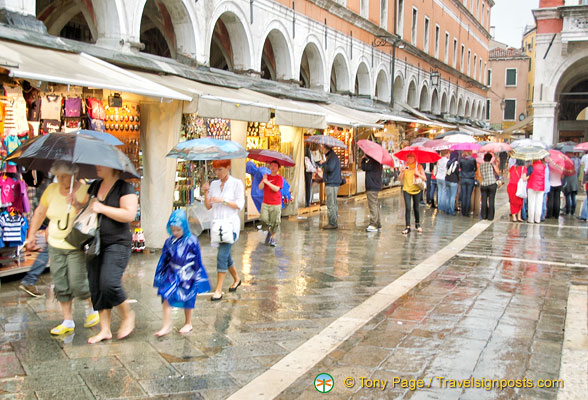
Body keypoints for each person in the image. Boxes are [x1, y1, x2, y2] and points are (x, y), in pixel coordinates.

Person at [25, 161, 98, 335]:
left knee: (78, 282)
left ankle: (93, 307)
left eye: (64, 176)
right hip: (54, 243)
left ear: (74, 175)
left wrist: (77, 204)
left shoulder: (85, 190)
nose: (60, 179)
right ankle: (67, 320)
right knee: (60, 283)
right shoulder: (51, 189)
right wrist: (31, 235)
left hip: (74, 244)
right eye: (58, 176)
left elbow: (92, 214)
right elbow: (40, 212)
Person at [85, 166, 138, 344]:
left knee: (109, 282)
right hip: (95, 242)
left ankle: (127, 314)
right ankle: (105, 329)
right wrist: (77, 204)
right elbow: (88, 209)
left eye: (101, 164)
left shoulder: (125, 188)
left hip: (117, 243)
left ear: (112, 167)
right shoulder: (94, 186)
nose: (97, 167)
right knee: (96, 286)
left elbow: (129, 214)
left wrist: (102, 208)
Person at [153, 210, 210, 337]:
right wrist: (160, 274)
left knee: (188, 299)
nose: (175, 233)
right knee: (166, 295)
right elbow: (163, 259)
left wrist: (198, 276)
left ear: (184, 227)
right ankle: (166, 325)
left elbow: (197, 260)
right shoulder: (169, 242)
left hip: (188, 275)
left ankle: (188, 323)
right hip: (172, 274)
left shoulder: (192, 240)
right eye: (172, 230)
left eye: (178, 230)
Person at [203, 159, 244, 301]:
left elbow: (239, 205)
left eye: (220, 169)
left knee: (221, 255)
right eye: (215, 170)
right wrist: (206, 193)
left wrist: (223, 201)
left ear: (228, 168)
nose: (217, 173)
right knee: (226, 256)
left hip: (230, 225)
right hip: (217, 225)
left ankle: (218, 289)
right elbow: (208, 206)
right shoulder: (214, 184)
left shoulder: (236, 183)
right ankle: (237, 279)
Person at [399, 153, 426, 234]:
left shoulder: (418, 167)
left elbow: (424, 178)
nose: (409, 159)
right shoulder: (405, 167)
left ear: (415, 158)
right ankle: (407, 226)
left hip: (416, 190)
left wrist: (418, 174)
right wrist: (402, 172)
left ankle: (417, 224)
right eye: (408, 157)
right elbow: (400, 179)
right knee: (408, 208)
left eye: (411, 157)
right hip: (406, 189)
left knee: (416, 207)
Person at [259, 161, 283, 247]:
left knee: (275, 222)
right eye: (271, 165)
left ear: (278, 168)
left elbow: (276, 189)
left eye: (275, 166)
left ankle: (273, 238)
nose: (273, 167)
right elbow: (260, 187)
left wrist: (267, 182)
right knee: (264, 219)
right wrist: (264, 180)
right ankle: (269, 232)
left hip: (276, 203)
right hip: (265, 202)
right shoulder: (266, 176)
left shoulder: (279, 178)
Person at [318, 144, 342, 229]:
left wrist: (324, 164)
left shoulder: (332, 157)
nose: (322, 150)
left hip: (332, 183)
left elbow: (330, 168)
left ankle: (332, 223)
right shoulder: (332, 156)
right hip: (333, 182)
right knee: (333, 203)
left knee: (331, 204)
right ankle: (333, 221)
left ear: (326, 149)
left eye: (322, 148)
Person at [361, 154, 383, 232]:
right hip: (376, 184)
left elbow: (364, 167)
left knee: (372, 205)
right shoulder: (378, 162)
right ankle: (378, 223)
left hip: (372, 185)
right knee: (375, 204)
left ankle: (374, 224)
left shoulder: (372, 162)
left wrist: (363, 160)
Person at [479, 153, 500, 221]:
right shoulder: (492, 165)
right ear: (490, 159)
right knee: (491, 200)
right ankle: (490, 216)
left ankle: (484, 215)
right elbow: (498, 172)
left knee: (484, 200)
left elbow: (479, 175)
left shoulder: (481, 165)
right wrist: (496, 164)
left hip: (484, 184)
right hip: (492, 184)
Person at [527, 159, 546, 224]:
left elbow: (527, 175)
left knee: (531, 203)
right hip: (541, 186)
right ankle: (537, 219)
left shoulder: (531, 166)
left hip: (532, 186)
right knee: (539, 203)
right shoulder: (543, 166)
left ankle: (531, 219)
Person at [458, 151, 477, 216]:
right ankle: (467, 211)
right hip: (470, 178)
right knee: (468, 195)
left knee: (464, 194)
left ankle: (463, 211)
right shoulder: (473, 160)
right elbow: (475, 169)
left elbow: (460, 168)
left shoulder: (461, 160)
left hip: (463, 178)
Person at [444, 151, 460, 215]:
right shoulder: (456, 164)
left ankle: (447, 210)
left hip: (447, 179)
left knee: (448, 196)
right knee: (452, 196)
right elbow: (457, 173)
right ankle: (451, 210)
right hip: (454, 181)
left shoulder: (448, 162)